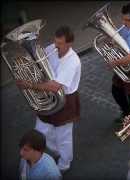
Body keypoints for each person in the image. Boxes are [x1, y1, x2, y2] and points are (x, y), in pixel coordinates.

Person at [16, 26, 81, 172]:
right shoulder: (53, 47)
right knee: (41, 131)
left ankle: (64, 164)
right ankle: (57, 152)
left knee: (63, 137)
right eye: (55, 42)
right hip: (48, 97)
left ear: (70, 44)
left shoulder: (72, 61)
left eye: (60, 44)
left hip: (65, 100)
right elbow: (38, 63)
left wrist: (30, 84)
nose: (55, 46)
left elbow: (54, 86)